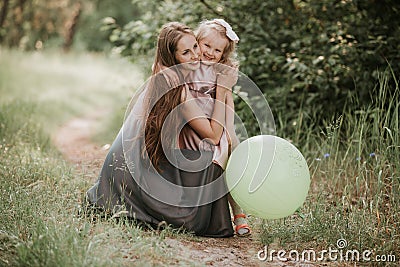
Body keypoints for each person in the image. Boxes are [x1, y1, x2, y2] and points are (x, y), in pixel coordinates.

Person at [85, 22, 236, 237]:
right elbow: (212, 135)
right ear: (173, 57)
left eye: (195, 46)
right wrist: (222, 90)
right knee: (192, 221)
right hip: (131, 169)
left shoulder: (167, 74)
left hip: (132, 162)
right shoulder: (176, 87)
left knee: (207, 159)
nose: (196, 55)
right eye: (186, 52)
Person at [160, 19, 251, 236]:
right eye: (206, 45)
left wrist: (228, 131)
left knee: (233, 153)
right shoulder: (188, 66)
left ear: (224, 55)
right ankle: (229, 211)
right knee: (216, 158)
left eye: (217, 50)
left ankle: (238, 212)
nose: (210, 53)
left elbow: (227, 102)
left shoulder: (222, 72)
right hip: (193, 127)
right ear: (196, 41)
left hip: (218, 123)